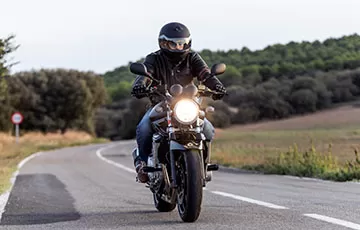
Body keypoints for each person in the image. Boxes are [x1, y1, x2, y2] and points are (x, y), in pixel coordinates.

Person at [130, 22, 227, 183]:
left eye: (182, 44)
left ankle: (202, 164)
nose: (178, 48)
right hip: (162, 103)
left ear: (188, 43)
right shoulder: (154, 59)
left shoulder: (193, 57)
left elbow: (205, 74)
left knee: (208, 129)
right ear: (163, 43)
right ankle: (141, 162)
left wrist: (217, 86)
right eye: (173, 44)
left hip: (188, 104)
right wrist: (140, 86)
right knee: (144, 126)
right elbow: (145, 74)